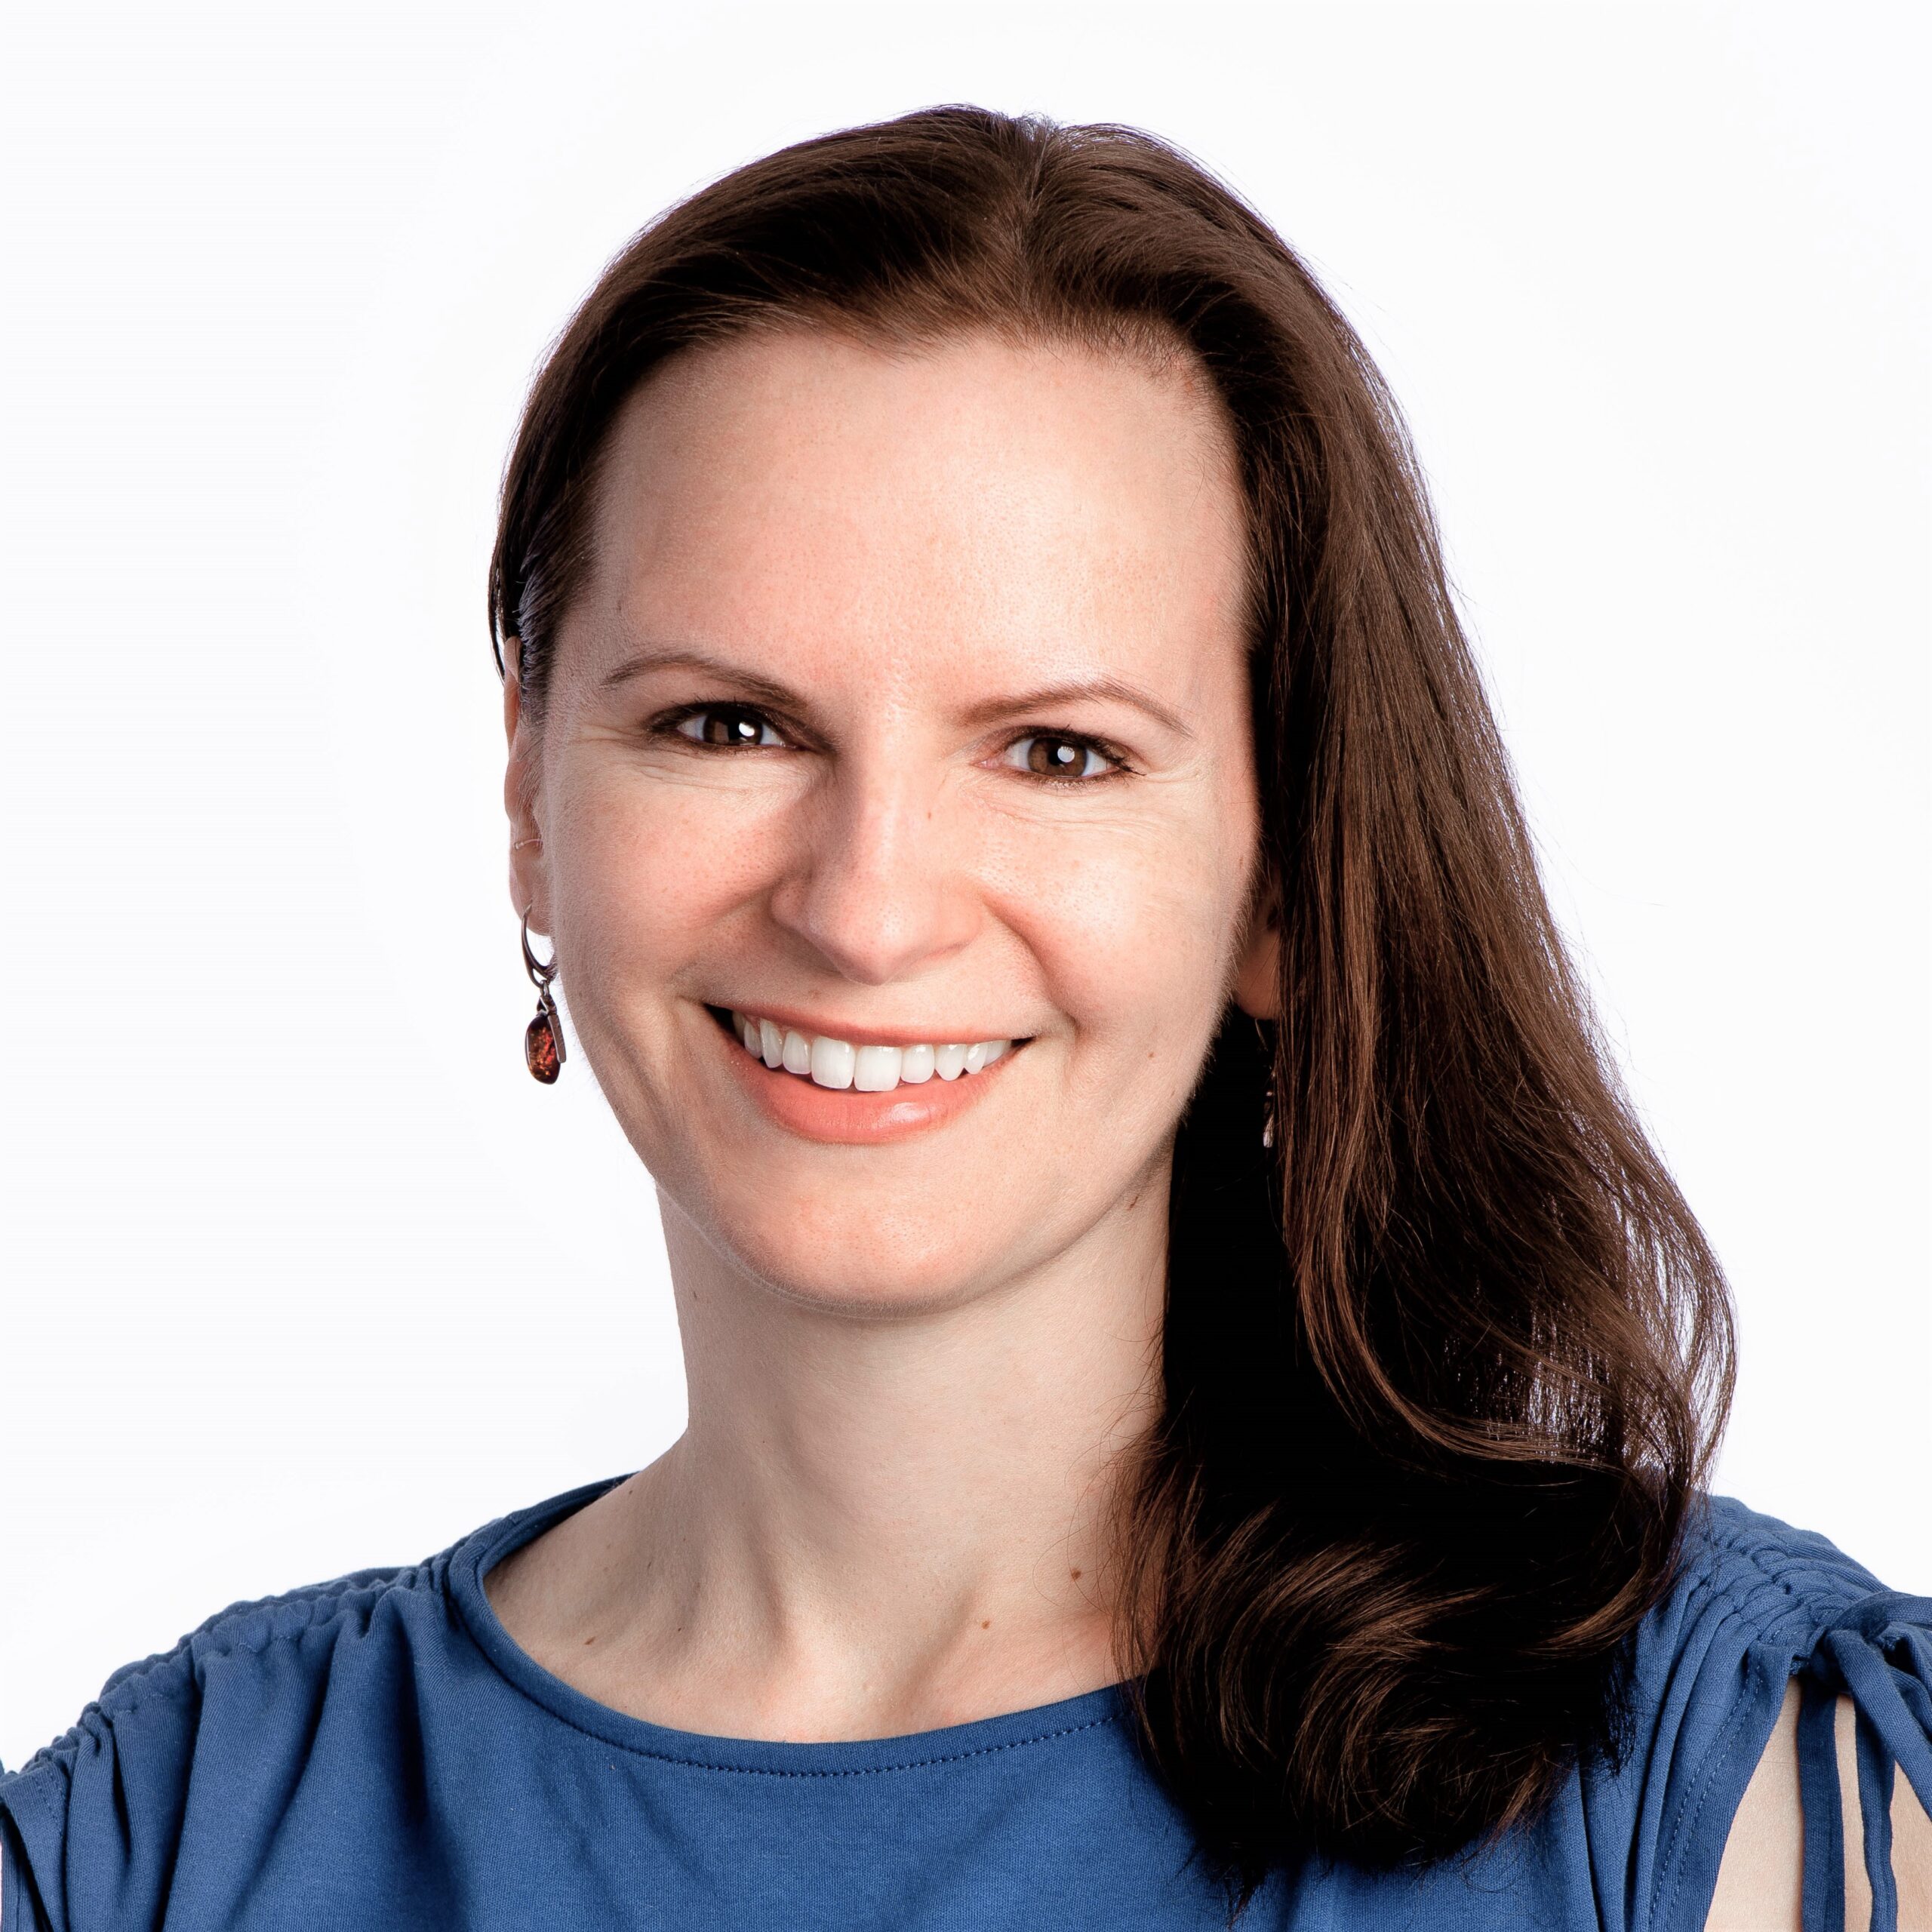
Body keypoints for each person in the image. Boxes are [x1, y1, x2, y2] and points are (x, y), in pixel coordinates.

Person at [2, 106, 1926, 1932]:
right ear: (529, 800)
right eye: (726, 725)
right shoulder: (181, 1832)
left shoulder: (1733, 1787)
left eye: (1058, 751)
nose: (865, 905)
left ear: (1280, 875)